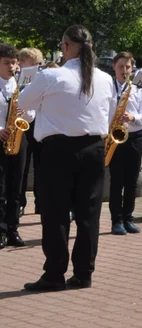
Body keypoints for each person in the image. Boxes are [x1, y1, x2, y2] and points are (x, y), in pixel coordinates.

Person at [19, 25, 112, 291]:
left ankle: (54, 274)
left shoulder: (51, 76)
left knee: (55, 213)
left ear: (65, 46)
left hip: (58, 151)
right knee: (89, 215)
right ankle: (83, 273)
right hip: (94, 148)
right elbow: (108, 112)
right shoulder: (104, 78)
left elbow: (22, 103)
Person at [107, 52, 142, 236]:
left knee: (131, 181)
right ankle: (116, 221)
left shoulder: (138, 89)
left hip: (134, 137)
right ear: (114, 67)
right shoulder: (107, 87)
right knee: (116, 181)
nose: (124, 71)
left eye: (127, 67)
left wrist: (133, 117)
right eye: (120, 67)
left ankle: (129, 218)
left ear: (132, 69)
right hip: (114, 138)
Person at [0, 43, 34, 248]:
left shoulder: (22, 85)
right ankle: (1, 231)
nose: (12, 67)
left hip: (19, 139)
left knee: (16, 189)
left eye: (14, 63)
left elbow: (32, 113)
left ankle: (13, 229)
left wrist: (25, 114)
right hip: (0, 139)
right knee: (0, 189)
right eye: (7, 63)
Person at [16, 47, 43, 217]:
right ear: (22, 63)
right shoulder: (15, 79)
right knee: (22, 168)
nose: (35, 68)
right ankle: (20, 203)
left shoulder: (41, 79)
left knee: (40, 166)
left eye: (37, 64)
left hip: (38, 125)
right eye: (31, 64)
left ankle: (40, 203)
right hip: (22, 126)